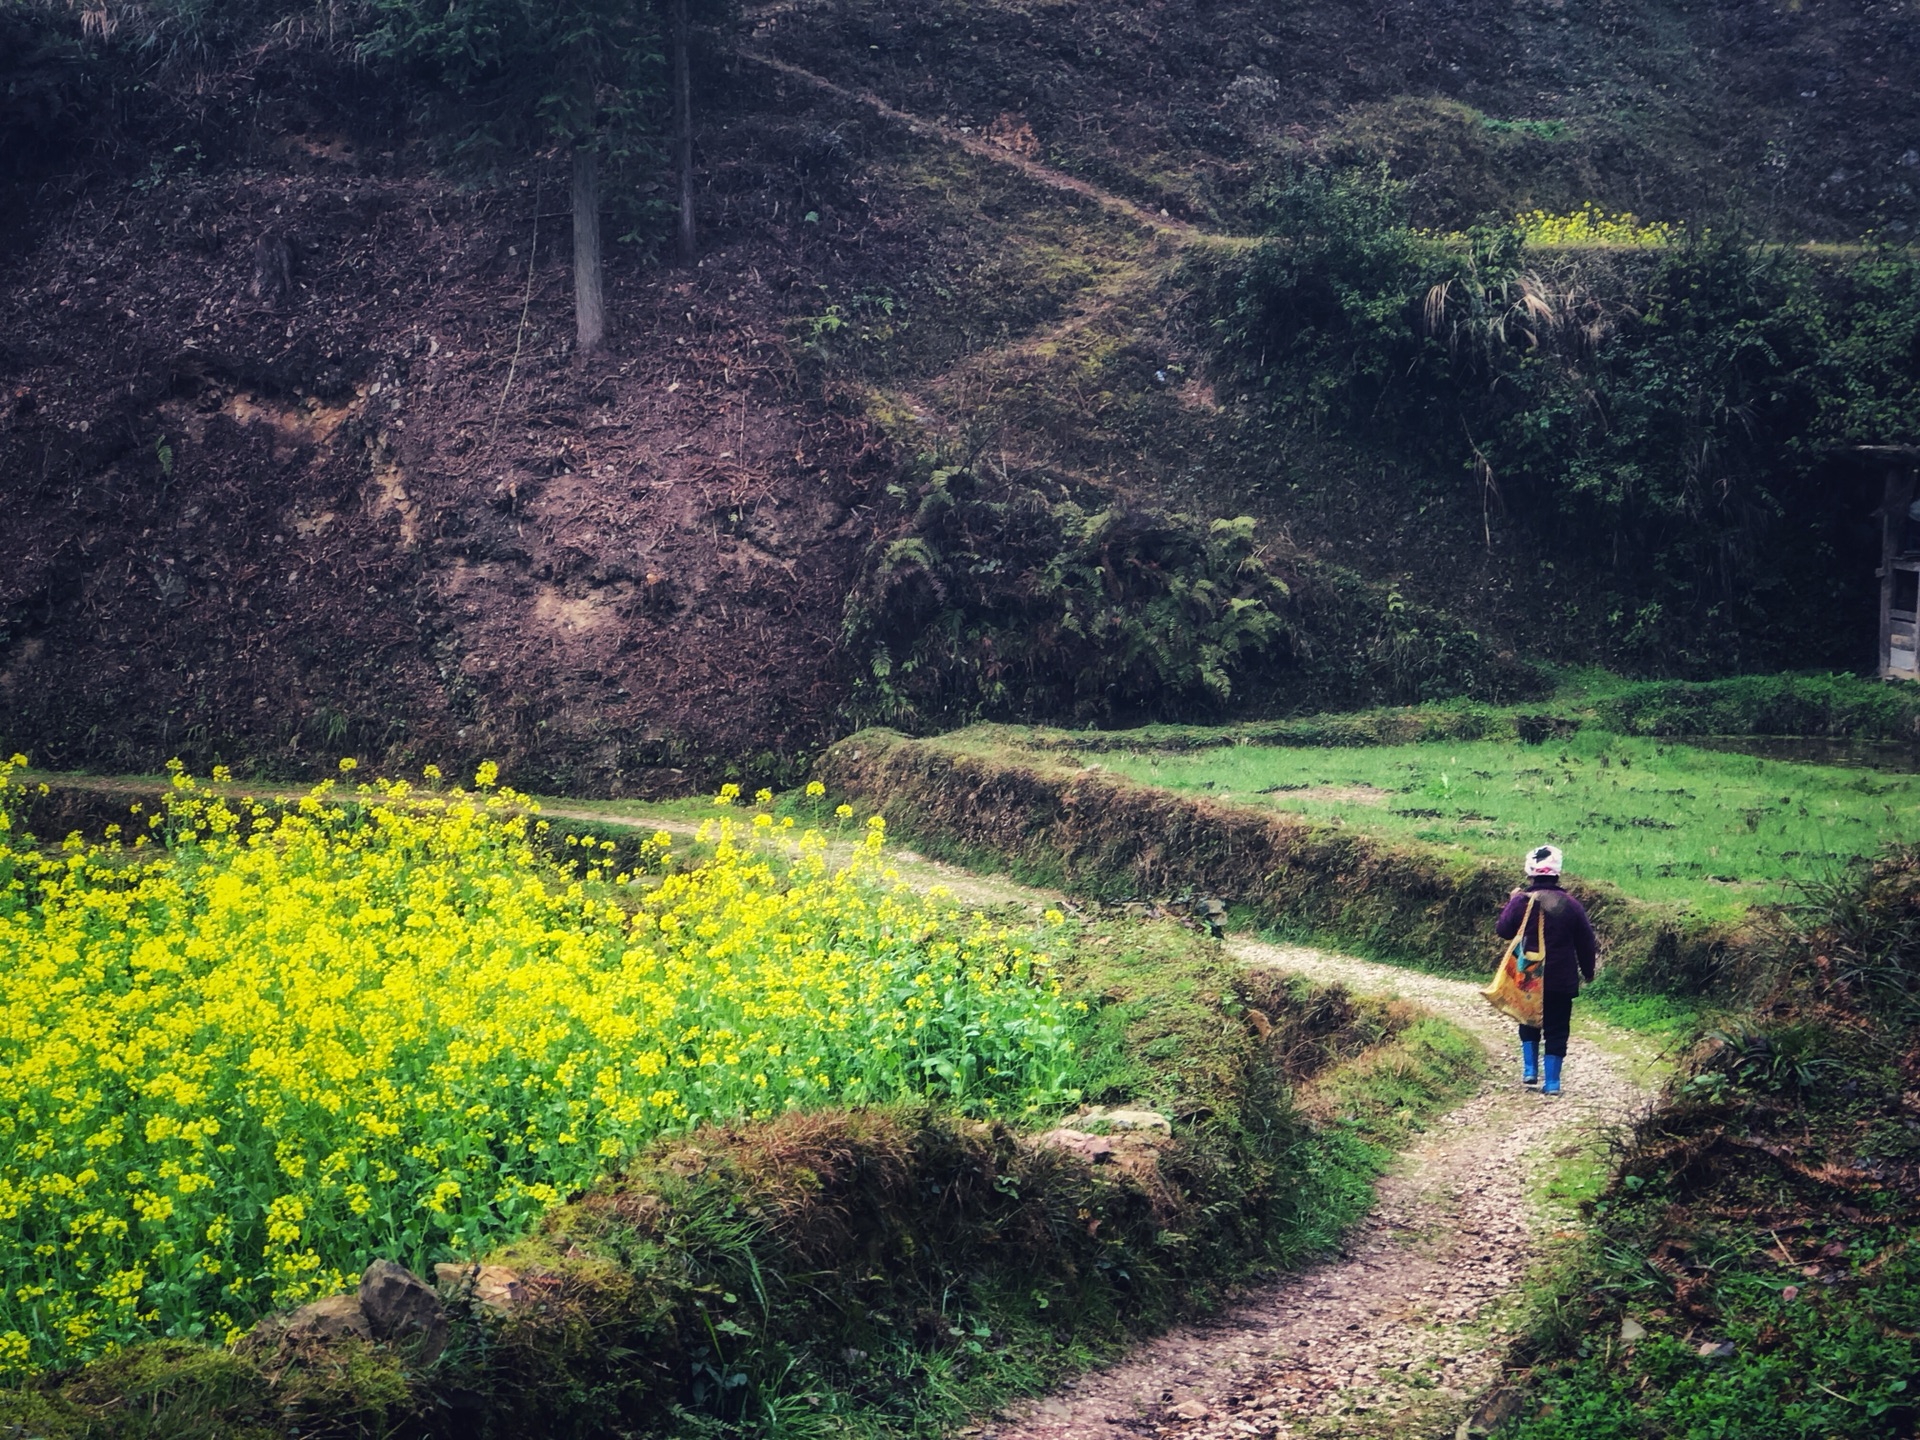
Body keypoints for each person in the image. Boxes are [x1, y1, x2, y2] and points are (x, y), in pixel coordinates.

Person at [1494, 844, 1598, 1095]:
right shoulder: (1571, 905)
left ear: (1530, 871)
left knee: (1528, 1019)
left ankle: (1530, 1071)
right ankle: (1552, 1083)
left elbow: (1503, 931)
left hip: (1530, 977)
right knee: (1558, 1028)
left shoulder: (1521, 901)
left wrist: (1511, 902)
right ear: (1557, 872)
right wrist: (1588, 971)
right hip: (1561, 979)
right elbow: (1586, 941)